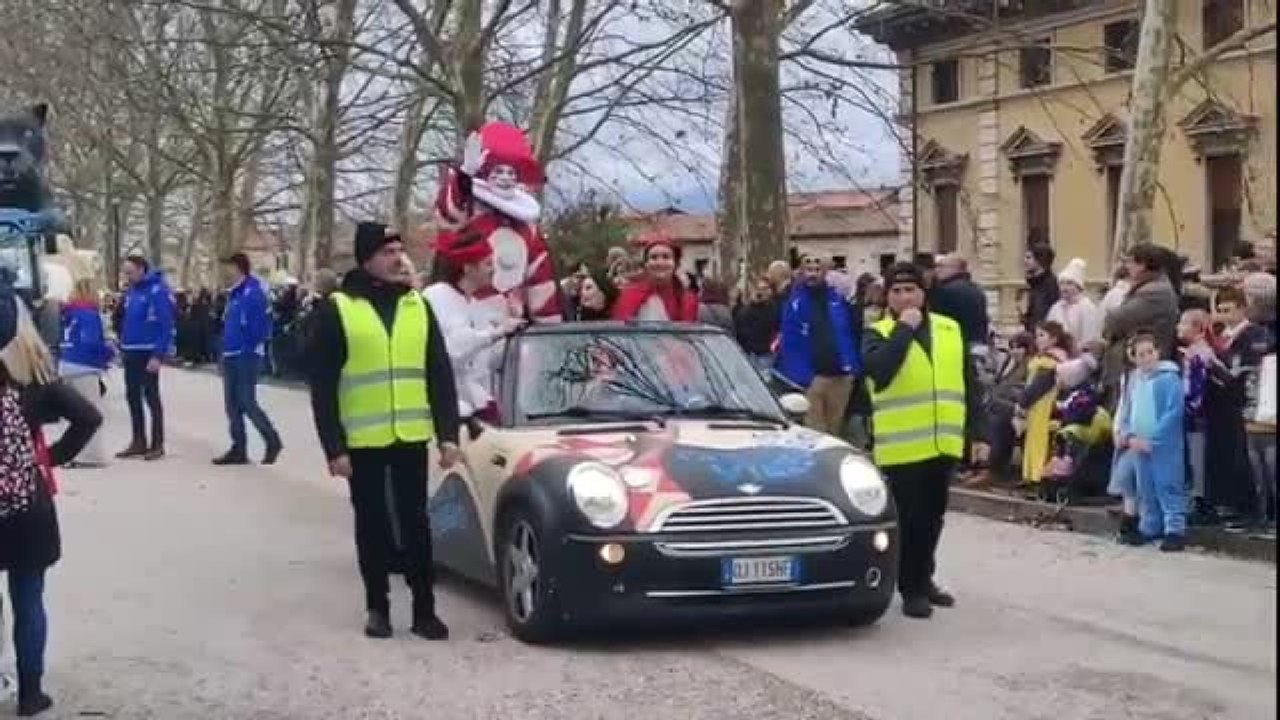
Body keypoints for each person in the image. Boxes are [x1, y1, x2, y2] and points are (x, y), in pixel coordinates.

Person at [306, 222, 461, 640]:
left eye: (399, 250)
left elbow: (439, 374)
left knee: (416, 524)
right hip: (363, 440)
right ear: (367, 259)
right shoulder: (338, 309)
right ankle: (378, 607)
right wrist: (333, 447)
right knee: (372, 525)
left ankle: (425, 609)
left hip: (410, 434)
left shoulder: (417, 305)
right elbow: (322, 385)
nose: (398, 258)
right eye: (387, 251)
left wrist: (448, 434)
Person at [862, 262, 987, 619]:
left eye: (911, 290)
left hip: (943, 441)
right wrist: (904, 329)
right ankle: (910, 587)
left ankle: (924, 578)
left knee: (933, 518)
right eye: (897, 291)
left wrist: (978, 432)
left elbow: (969, 383)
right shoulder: (877, 332)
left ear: (923, 293)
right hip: (902, 445)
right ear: (888, 297)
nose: (905, 297)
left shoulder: (949, 328)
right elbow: (881, 371)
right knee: (910, 520)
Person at [0, 289, 102, 716]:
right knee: (29, 599)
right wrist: (49, 457)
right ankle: (30, 692)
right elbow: (89, 417)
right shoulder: (35, 376)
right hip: (28, 504)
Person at [423, 230, 524, 424]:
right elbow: (453, 350)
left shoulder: (475, 305)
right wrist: (495, 333)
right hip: (450, 410)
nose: (494, 269)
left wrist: (514, 323)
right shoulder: (437, 296)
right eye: (488, 263)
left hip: (478, 406)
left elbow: (490, 360)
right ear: (468, 268)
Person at [1113, 332, 1187, 551]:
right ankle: (1150, 526)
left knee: (1168, 484)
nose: (1147, 358)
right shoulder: (1135, 380)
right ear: (1133, 358)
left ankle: (1174, 529)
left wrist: (1154, 438)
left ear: (1158, 352)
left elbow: (1174, 412)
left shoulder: (1169, 379)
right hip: (1138, 444)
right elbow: (1127, 411)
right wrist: (1130, 436)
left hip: (1164, 445)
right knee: (1146, 487)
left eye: (1150, 352)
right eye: (1141, 354)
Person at [776, 252, 860, 436]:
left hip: (840, 375)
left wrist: (852, 367)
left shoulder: (838, 300)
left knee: (835, 430)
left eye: (817, 269)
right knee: (815, 432)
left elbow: (849, 332)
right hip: (811, 378)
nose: (813, 274)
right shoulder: (794, 302)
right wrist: (800, 376)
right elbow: (791, 340)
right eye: (809, 269)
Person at [213, 253, 283, 465]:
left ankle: (271, 439)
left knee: (246, 401)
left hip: (247, 354)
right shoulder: (233, 294)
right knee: (231, 404)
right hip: (231, 353)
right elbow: (229, 324)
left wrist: (250, 346)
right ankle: (238, 448)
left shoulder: (254, 292)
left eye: (227, 268)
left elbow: (261, 325)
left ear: (237, 268)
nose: (224, 273)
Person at [115, 254, 175, 461]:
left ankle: (157, 443)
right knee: (132, 396)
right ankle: (138, 440)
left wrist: (158, 354)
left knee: (151, 396)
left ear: (141, 270)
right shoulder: (131, 291)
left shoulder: (158, 290)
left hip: (148, 351)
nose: (127, 276)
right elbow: (126, 320)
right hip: (131, 350)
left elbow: (166, 324)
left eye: (130, 272)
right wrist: (122, 344)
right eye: (125, 272)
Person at [57, 278, 112, 468]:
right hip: (84, 366)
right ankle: (92, 455)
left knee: (74, 413)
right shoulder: (89, 314)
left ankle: (73, 452)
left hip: (66, 363)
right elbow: (91, 341)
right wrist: (108, 354)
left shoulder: (67, 313)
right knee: (91, 413)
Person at [1013, 321, 1073, 489]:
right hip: (1037, 406)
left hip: (1043, 405)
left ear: (1054, 339)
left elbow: (1038, 386)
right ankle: (1031, 475)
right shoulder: (1045, 358)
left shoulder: (1050, 362)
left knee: (1039, 441)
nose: (1038, 339)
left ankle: (1037, 476)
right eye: (1037, 335)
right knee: (1032, 440)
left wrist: (1022, 403)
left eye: (1042, 335)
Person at [610, 233, 698, 322]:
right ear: (646, 264)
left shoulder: (689, 299)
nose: (659, 262)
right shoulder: (629, 296)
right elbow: (619, 327)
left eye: (666, 257)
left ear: (676, 263)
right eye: (653, 257)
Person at [1046, 258, 1103, 346]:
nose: (1064, 288)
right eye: (1062, 283)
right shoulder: (1056, 307)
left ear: (1078, 287)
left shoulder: (1087, 307)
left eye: (1069, 283)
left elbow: (1090, 339)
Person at [1022, 243, 1059, 332]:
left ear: (1040, 260)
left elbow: (1044, 314)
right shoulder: (1035, 283)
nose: (1025, 261)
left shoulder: (1050, 284)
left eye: (1028, 257)